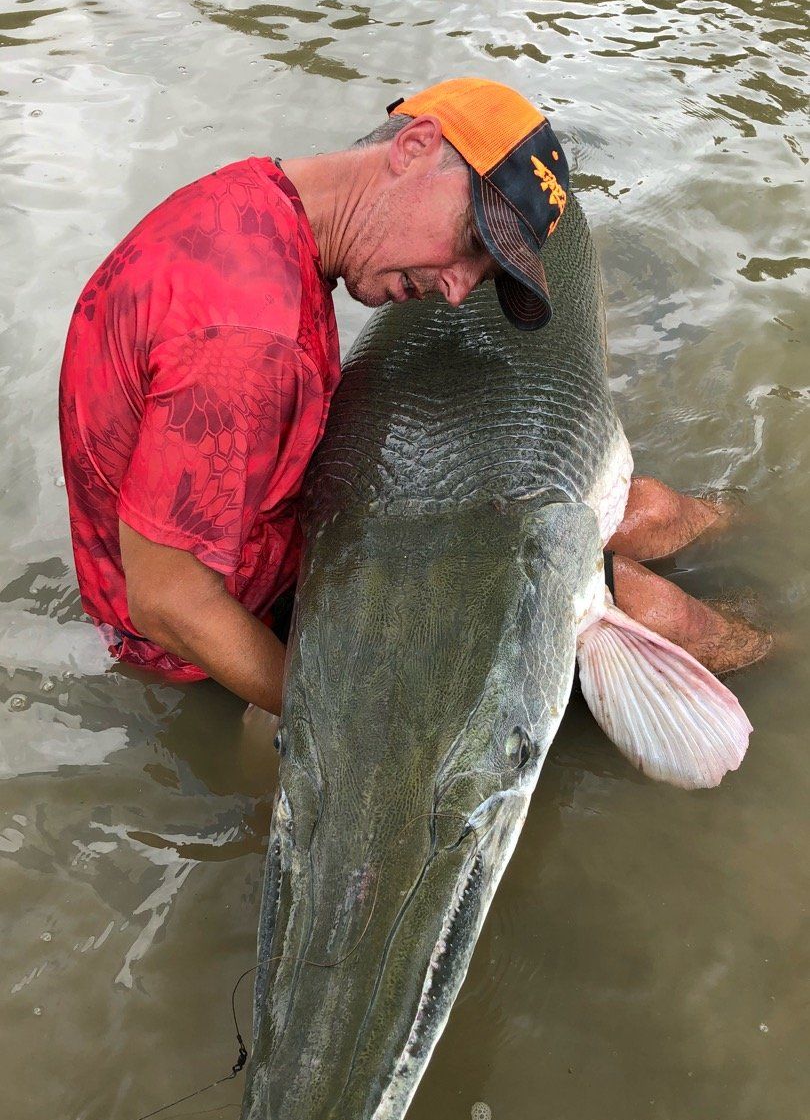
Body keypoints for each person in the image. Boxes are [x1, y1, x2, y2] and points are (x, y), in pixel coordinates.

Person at [59, 78, 768, 715]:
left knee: (644, 510)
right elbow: (168, 604)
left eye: (482, 273)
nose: (458, 289)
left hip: (269, 538)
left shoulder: (258, 199)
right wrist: (339, 727)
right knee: (652, 609)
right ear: (415, 146)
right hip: (224, 634)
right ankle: (778, 650)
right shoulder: (247, 343)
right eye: (471, 240)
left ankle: (758, 539)